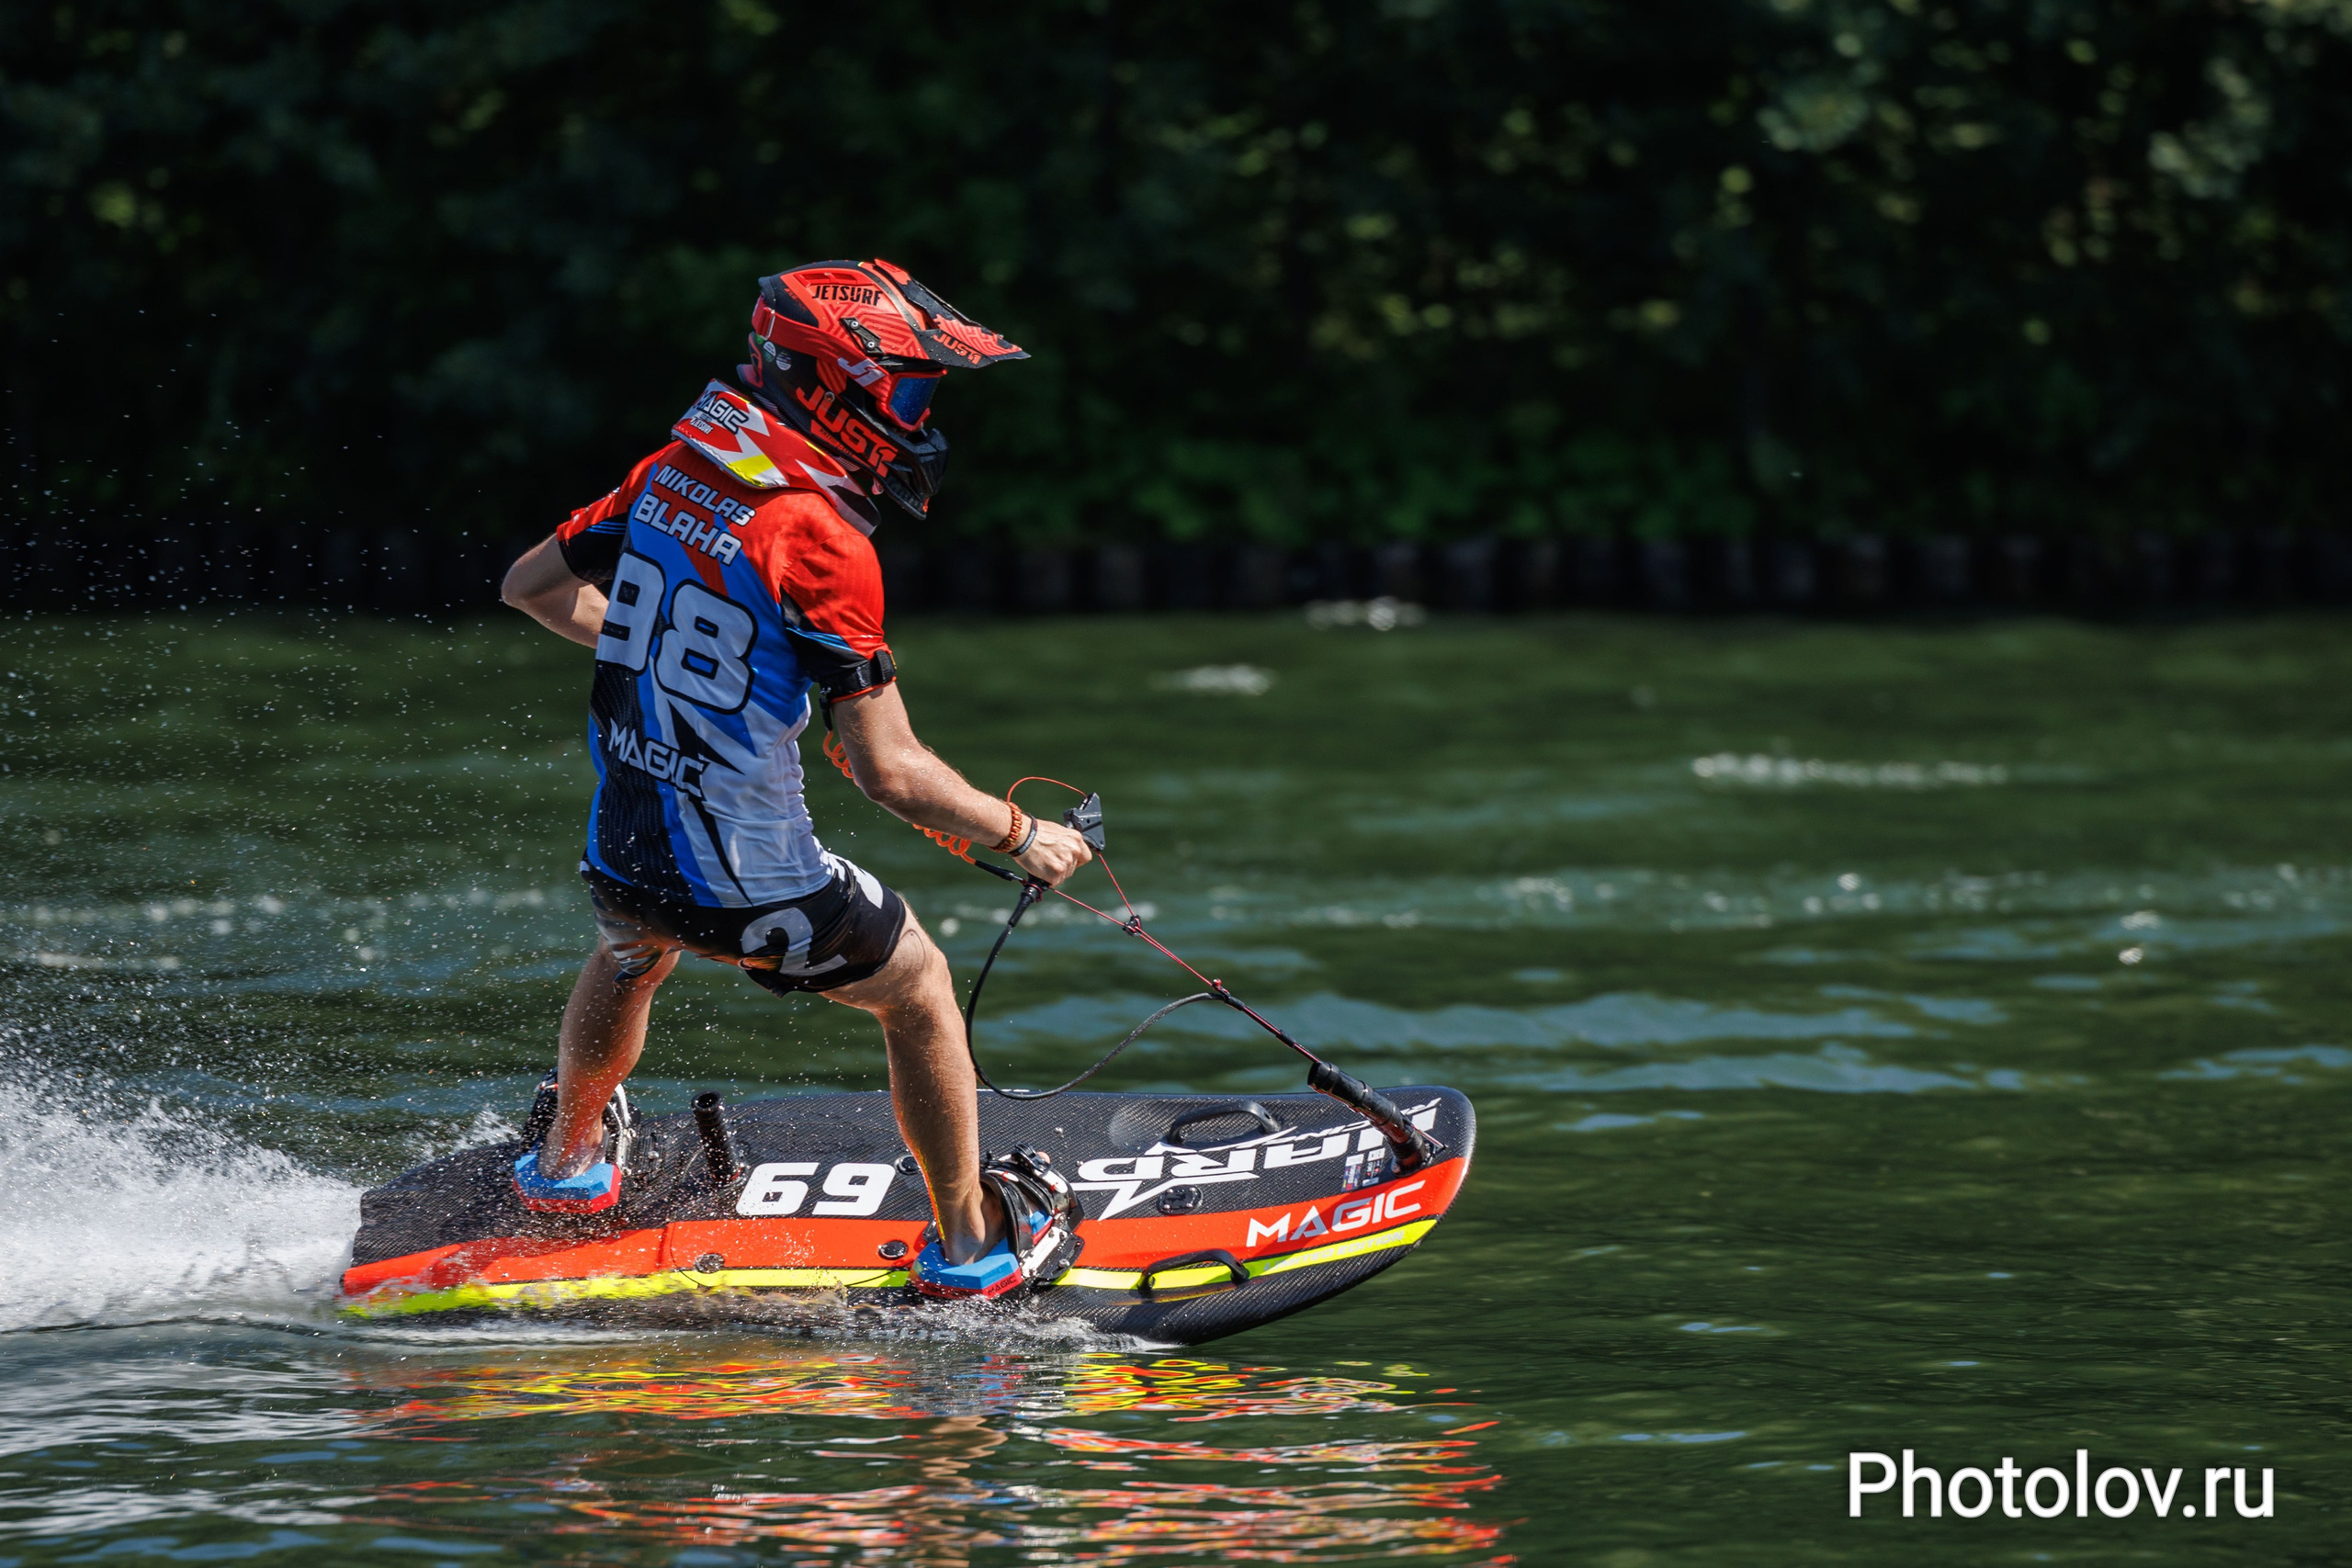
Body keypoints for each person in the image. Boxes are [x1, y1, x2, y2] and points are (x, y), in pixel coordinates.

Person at [497, 257, 1092, 1300]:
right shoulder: (818, 537)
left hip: (622, 847)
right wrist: (1018, 834)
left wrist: (689, 684)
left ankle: (566, 1167)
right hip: (752, 884)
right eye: (905, 389)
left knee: (631, 947)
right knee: (916, 988)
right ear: (834, 386)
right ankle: (972, 1248)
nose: (916, 413)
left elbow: (533, 590)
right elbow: (894, 774)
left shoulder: (670, 473)